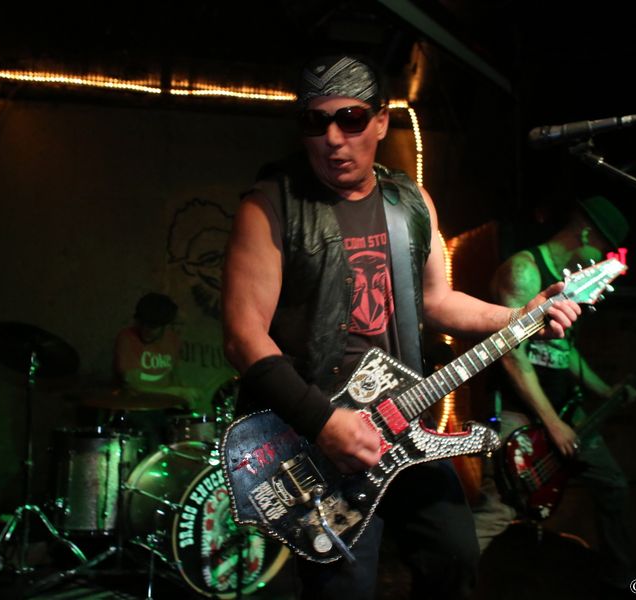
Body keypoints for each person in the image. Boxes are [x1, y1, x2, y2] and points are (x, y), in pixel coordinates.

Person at [221, 54, 581, 600]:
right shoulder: (271, 206)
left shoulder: (409, 202)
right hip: (317, 436)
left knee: (456, 559)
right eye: (316, 122)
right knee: (344, 589)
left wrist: (520, 317)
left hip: (403, 422)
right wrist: (323, 421)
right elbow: (242, 336)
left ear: (381, 121)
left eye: (350, 119)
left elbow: (437, 301)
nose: (333, 138)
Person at [481, 195, 636, 593]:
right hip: (518, 412)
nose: (604, 259)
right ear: (585, 234)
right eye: (603, 248)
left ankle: (620, 582)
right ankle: (448, 586)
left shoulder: (572, 281)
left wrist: (606, 391)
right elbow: (513, 356)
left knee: (613, 484)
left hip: (566, 411)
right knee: (499, 510)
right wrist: (551, 424)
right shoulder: (524, 270)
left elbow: (563, 351)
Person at [113, 292, 203, 445]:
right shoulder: (126, 338)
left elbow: (175, 378)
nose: (145, 330)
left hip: (164, 409)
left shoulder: (172, 340)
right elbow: (134, 385)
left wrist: (186, 395)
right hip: (137, 411)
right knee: (150, 428)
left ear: (165, 325)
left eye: (152, 327)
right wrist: (175, 392)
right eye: (142, 324)